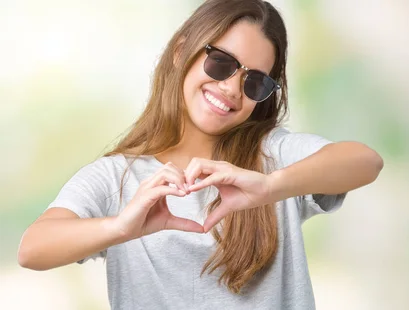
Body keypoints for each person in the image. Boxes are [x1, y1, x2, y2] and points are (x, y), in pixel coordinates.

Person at [17, 0, 383, 309]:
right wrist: (121, 227)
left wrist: (271, 187)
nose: (231, 89)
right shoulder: (117, 178)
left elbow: (365, 161)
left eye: (255, 81)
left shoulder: (273, 155)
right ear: (181, 52)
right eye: (221, 63)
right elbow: (33, 250)